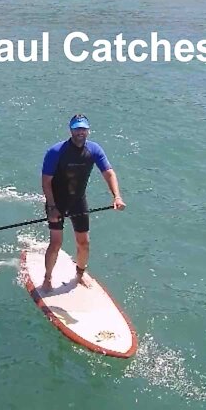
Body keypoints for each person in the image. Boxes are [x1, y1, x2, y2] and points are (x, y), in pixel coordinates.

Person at [40, 114, 125, 290]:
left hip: (78, 201)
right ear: (71, 130)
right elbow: (46, 182)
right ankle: (47, 278)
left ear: (88, 130)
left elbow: (109, 173)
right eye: (77, 128)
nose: (80, 132)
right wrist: (52, 206)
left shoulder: (94, 150)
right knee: (56, 242)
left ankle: (80, 274)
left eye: (83, 129)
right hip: (56, 202)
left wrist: (116, 196)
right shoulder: (56, 151)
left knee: (84, 242)